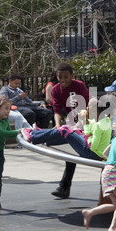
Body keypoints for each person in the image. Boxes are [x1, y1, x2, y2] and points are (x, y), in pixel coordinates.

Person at [49, 62, 91, 198]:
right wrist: (57, 124)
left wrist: (80, 123)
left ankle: (64, 187)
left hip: (88, 119)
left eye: (66, 77)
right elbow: (56, 108)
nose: (63, 80)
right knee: (71, 154)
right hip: (72, 121)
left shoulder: (79, 85)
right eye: (60, 77)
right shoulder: (55, 90)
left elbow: (87, 104)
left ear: (72, 75)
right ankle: (64, 187)